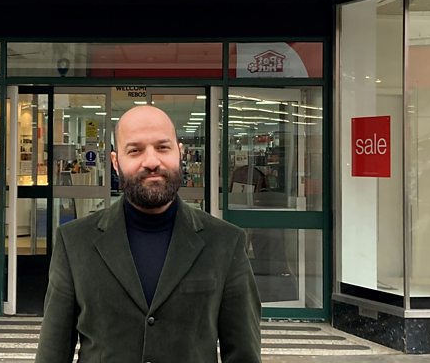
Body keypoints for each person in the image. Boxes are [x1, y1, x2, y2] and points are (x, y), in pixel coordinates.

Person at [34, 105, 261, 363]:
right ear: (116, 162)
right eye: (135, 150)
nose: (152, 161)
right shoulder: (74, 243)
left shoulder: (225, 243)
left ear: (180, 153)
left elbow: (244, 354)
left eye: (163, 147)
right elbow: (52, 353)